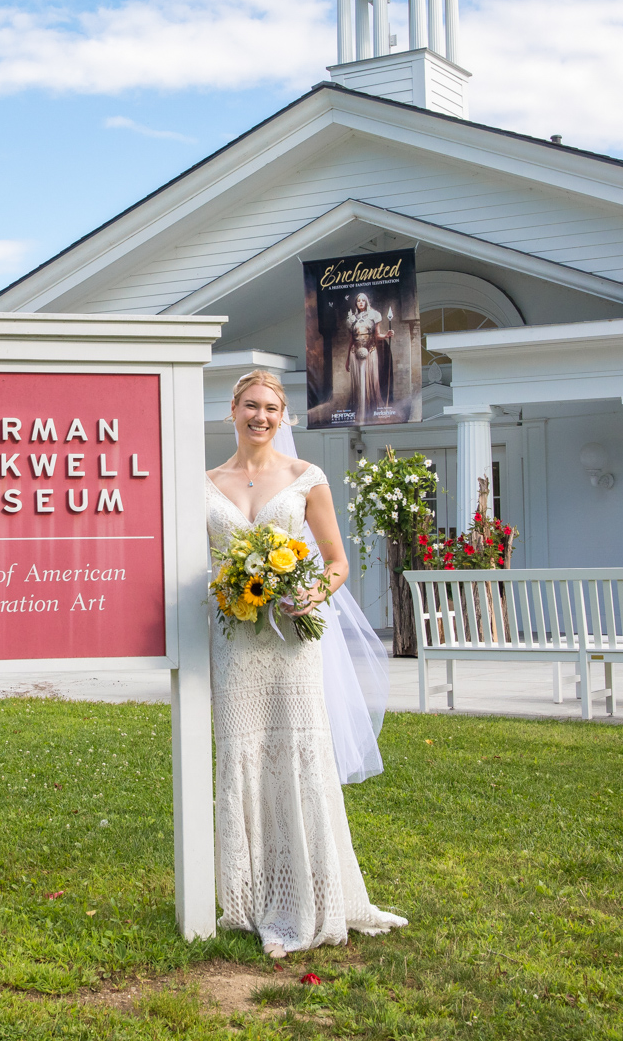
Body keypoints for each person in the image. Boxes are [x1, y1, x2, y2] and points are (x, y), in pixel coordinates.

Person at [205, 369, 406, 958]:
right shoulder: (203, 485)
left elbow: (337, 562)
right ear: (232, 412)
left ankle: (311, 896)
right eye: (249, 405)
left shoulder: (306, 479)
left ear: (284, 416)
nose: (259, 416)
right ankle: (248, 897)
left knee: (296, 756)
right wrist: (228, 589)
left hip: (293, 643)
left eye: (270, 407)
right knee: (242, 755)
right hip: (236, 644)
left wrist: (313, 593)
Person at [343, 292, 391, 423]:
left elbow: (377, 335)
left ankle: (370, 410)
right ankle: (360, 411)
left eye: (363, 300)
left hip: (370, 351)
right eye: (358, 301)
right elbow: (351, 339)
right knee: (359, 383)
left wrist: (386, 335)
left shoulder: (374, 315)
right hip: (355, 352)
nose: (360, 303)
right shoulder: (352, 319)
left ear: (366, 302)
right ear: (356, 303)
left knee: (370, 381)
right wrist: (347, 358)